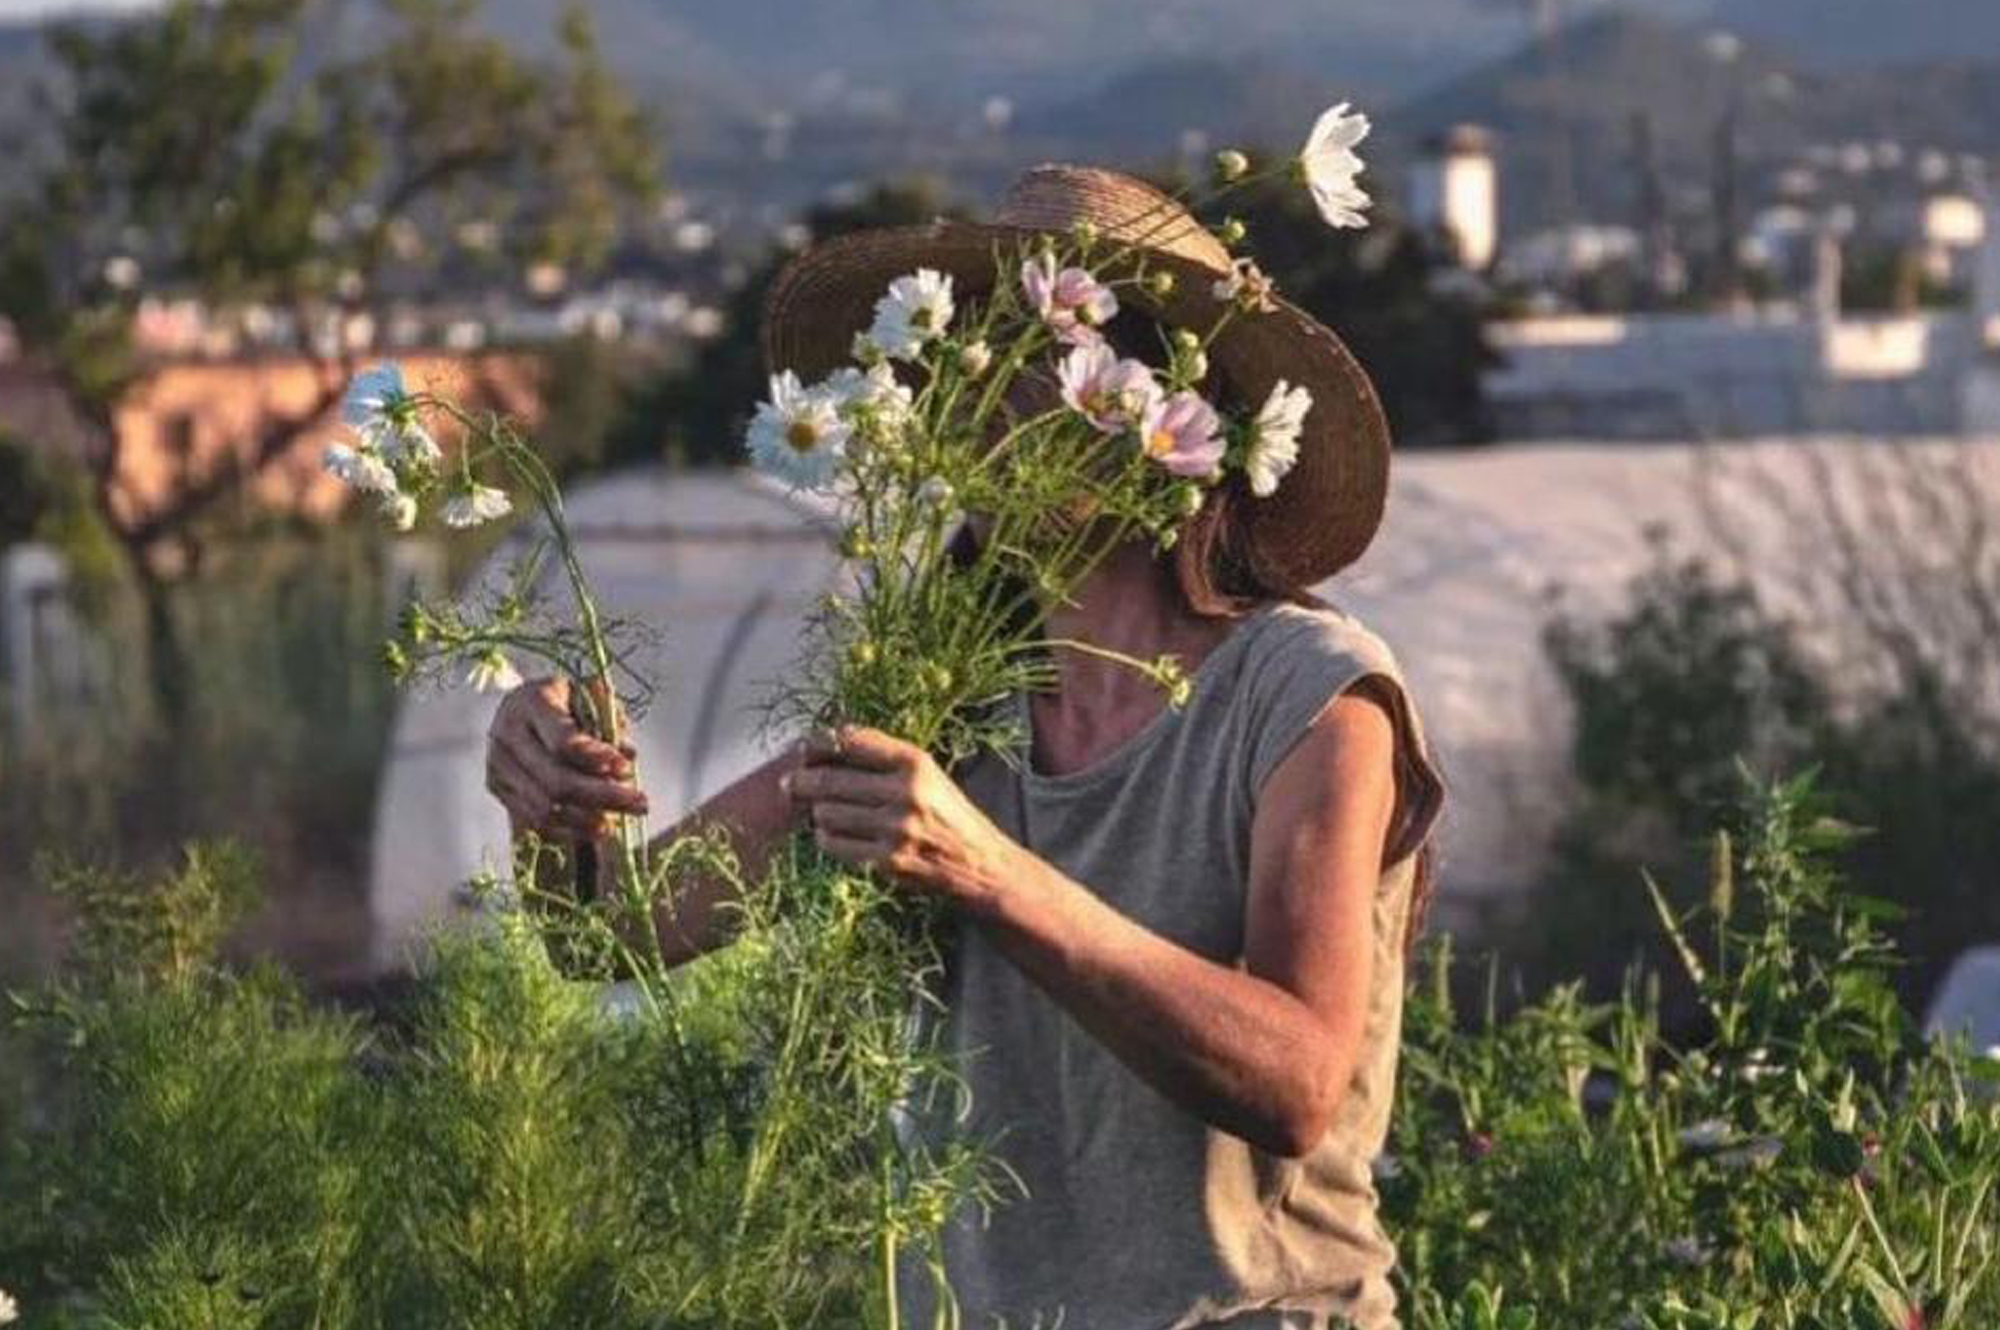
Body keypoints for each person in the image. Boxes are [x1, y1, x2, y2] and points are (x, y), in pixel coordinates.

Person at [483, 165, 1445, 1330]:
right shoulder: (935, 690)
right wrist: (548, 802)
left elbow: (1295, 1079)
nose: (975, 395)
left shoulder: (1310, 695)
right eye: (958, 357)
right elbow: (616, 933)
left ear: (1167, 415)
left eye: (1039, 354)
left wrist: (984, 869)